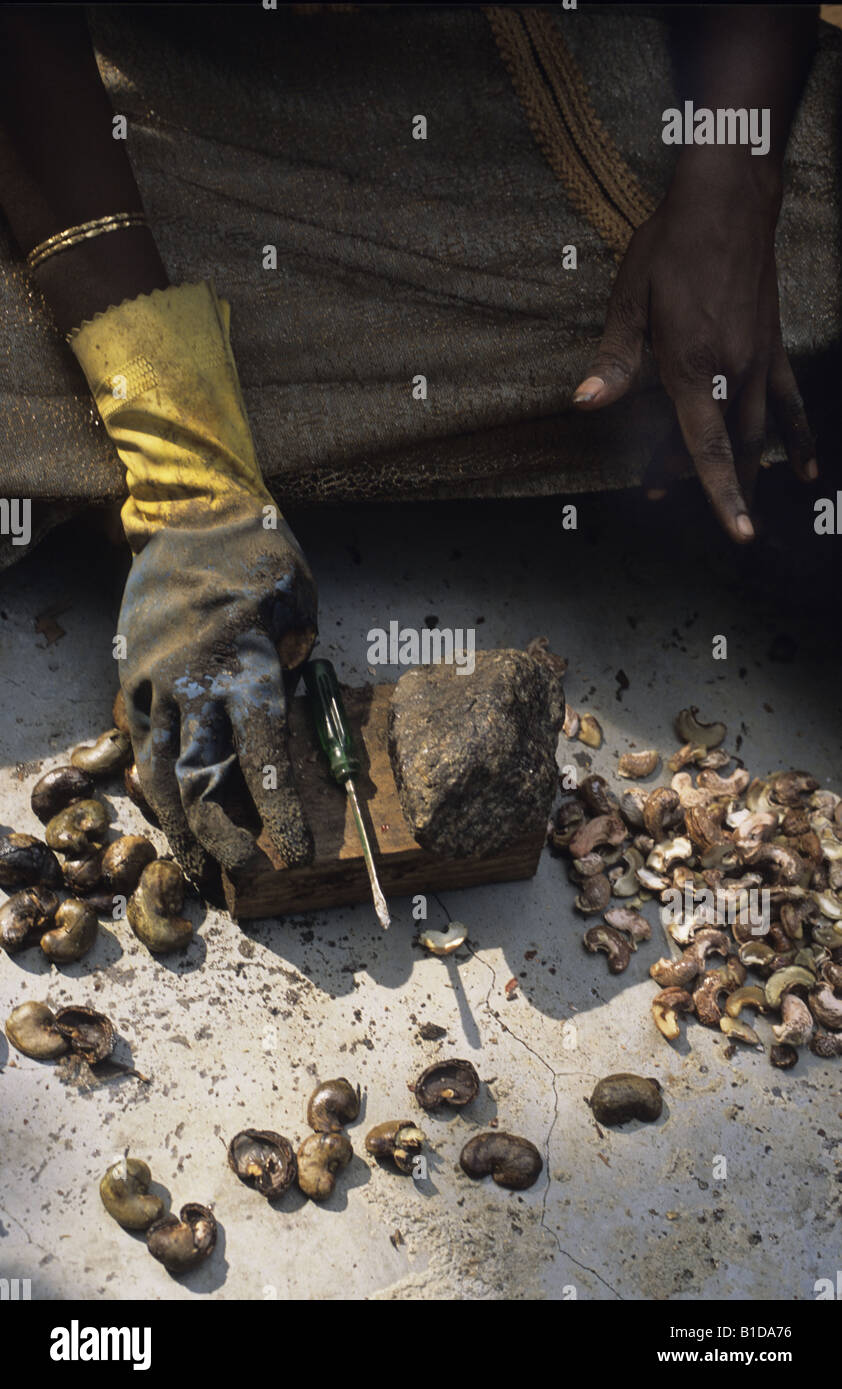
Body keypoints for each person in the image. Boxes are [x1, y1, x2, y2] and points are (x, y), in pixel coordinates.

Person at [0, 3, 825, 890]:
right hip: (170, 122)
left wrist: (730, 193)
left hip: (507, 89)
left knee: (811, 280)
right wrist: (183, 460)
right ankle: (194, 446)